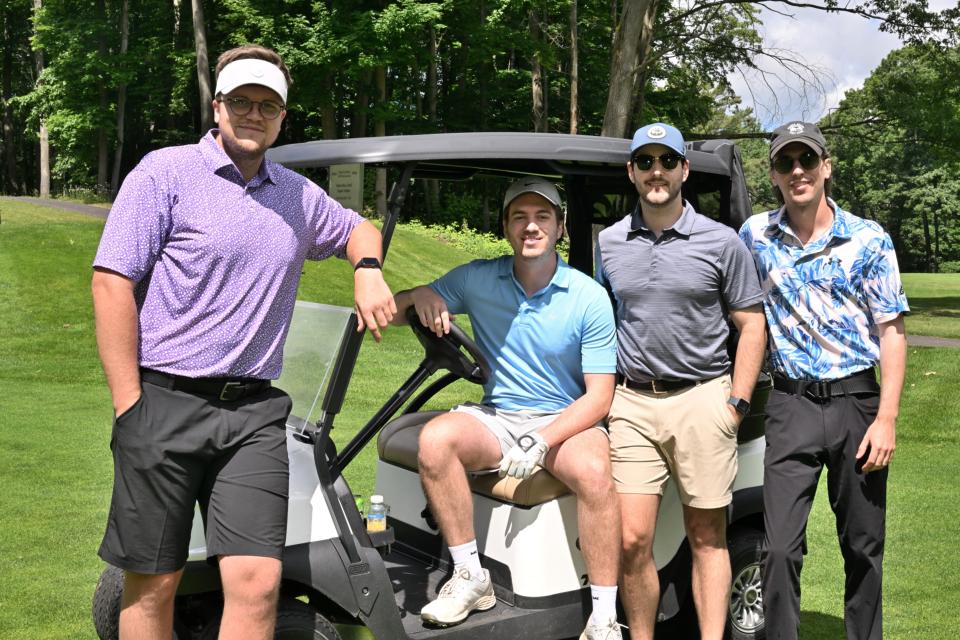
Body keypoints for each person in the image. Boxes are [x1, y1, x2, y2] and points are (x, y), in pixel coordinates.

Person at [92, 44, 395, 640]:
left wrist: (367, 269)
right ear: (218, 105)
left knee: (258, 581)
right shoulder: (166, 172)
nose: (254, 113)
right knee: (154, 582)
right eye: (242, 101)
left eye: (269, 105)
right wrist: (130, 404)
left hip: (255, 414)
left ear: (282, 116)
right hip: (164, 402)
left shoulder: (296, 195)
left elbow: (358, 227)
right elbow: (111, 283)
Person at [393, 176, 623, 640]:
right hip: (498, 416)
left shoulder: (587, 296)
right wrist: (418, 293)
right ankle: (471, 576)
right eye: (519, 217)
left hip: (564, 420)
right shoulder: (478, 278)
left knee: (596, 474)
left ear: (560, 228)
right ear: (505, 227)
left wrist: (543, 439)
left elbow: (599, 396)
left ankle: (603, 616)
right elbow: (394, 310)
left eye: (542, 217)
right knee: (435, 440)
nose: (530, 227)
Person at [595, 123, 767, 640]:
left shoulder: (721, 242)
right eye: (645, 162)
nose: (656, 172)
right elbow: (601, 321)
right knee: (631, 539)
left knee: (707, 536)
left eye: (667, 161)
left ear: (684, 170)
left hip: (703, 399)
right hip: (632, 403)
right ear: (631, 172)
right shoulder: (608, 242)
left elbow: (751, 325)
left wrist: (735, 402)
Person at [739, 121, 909, 640]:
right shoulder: (755, 235)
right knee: (781, 547)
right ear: (772, 174)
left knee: (862, 545)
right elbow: (738, 312)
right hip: (790, 406)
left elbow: (893, 333)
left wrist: (886, 419)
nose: (797, 171)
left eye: (806, 160)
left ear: (825, 167)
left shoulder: (868, 238)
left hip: (857, 404)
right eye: (786, 162)